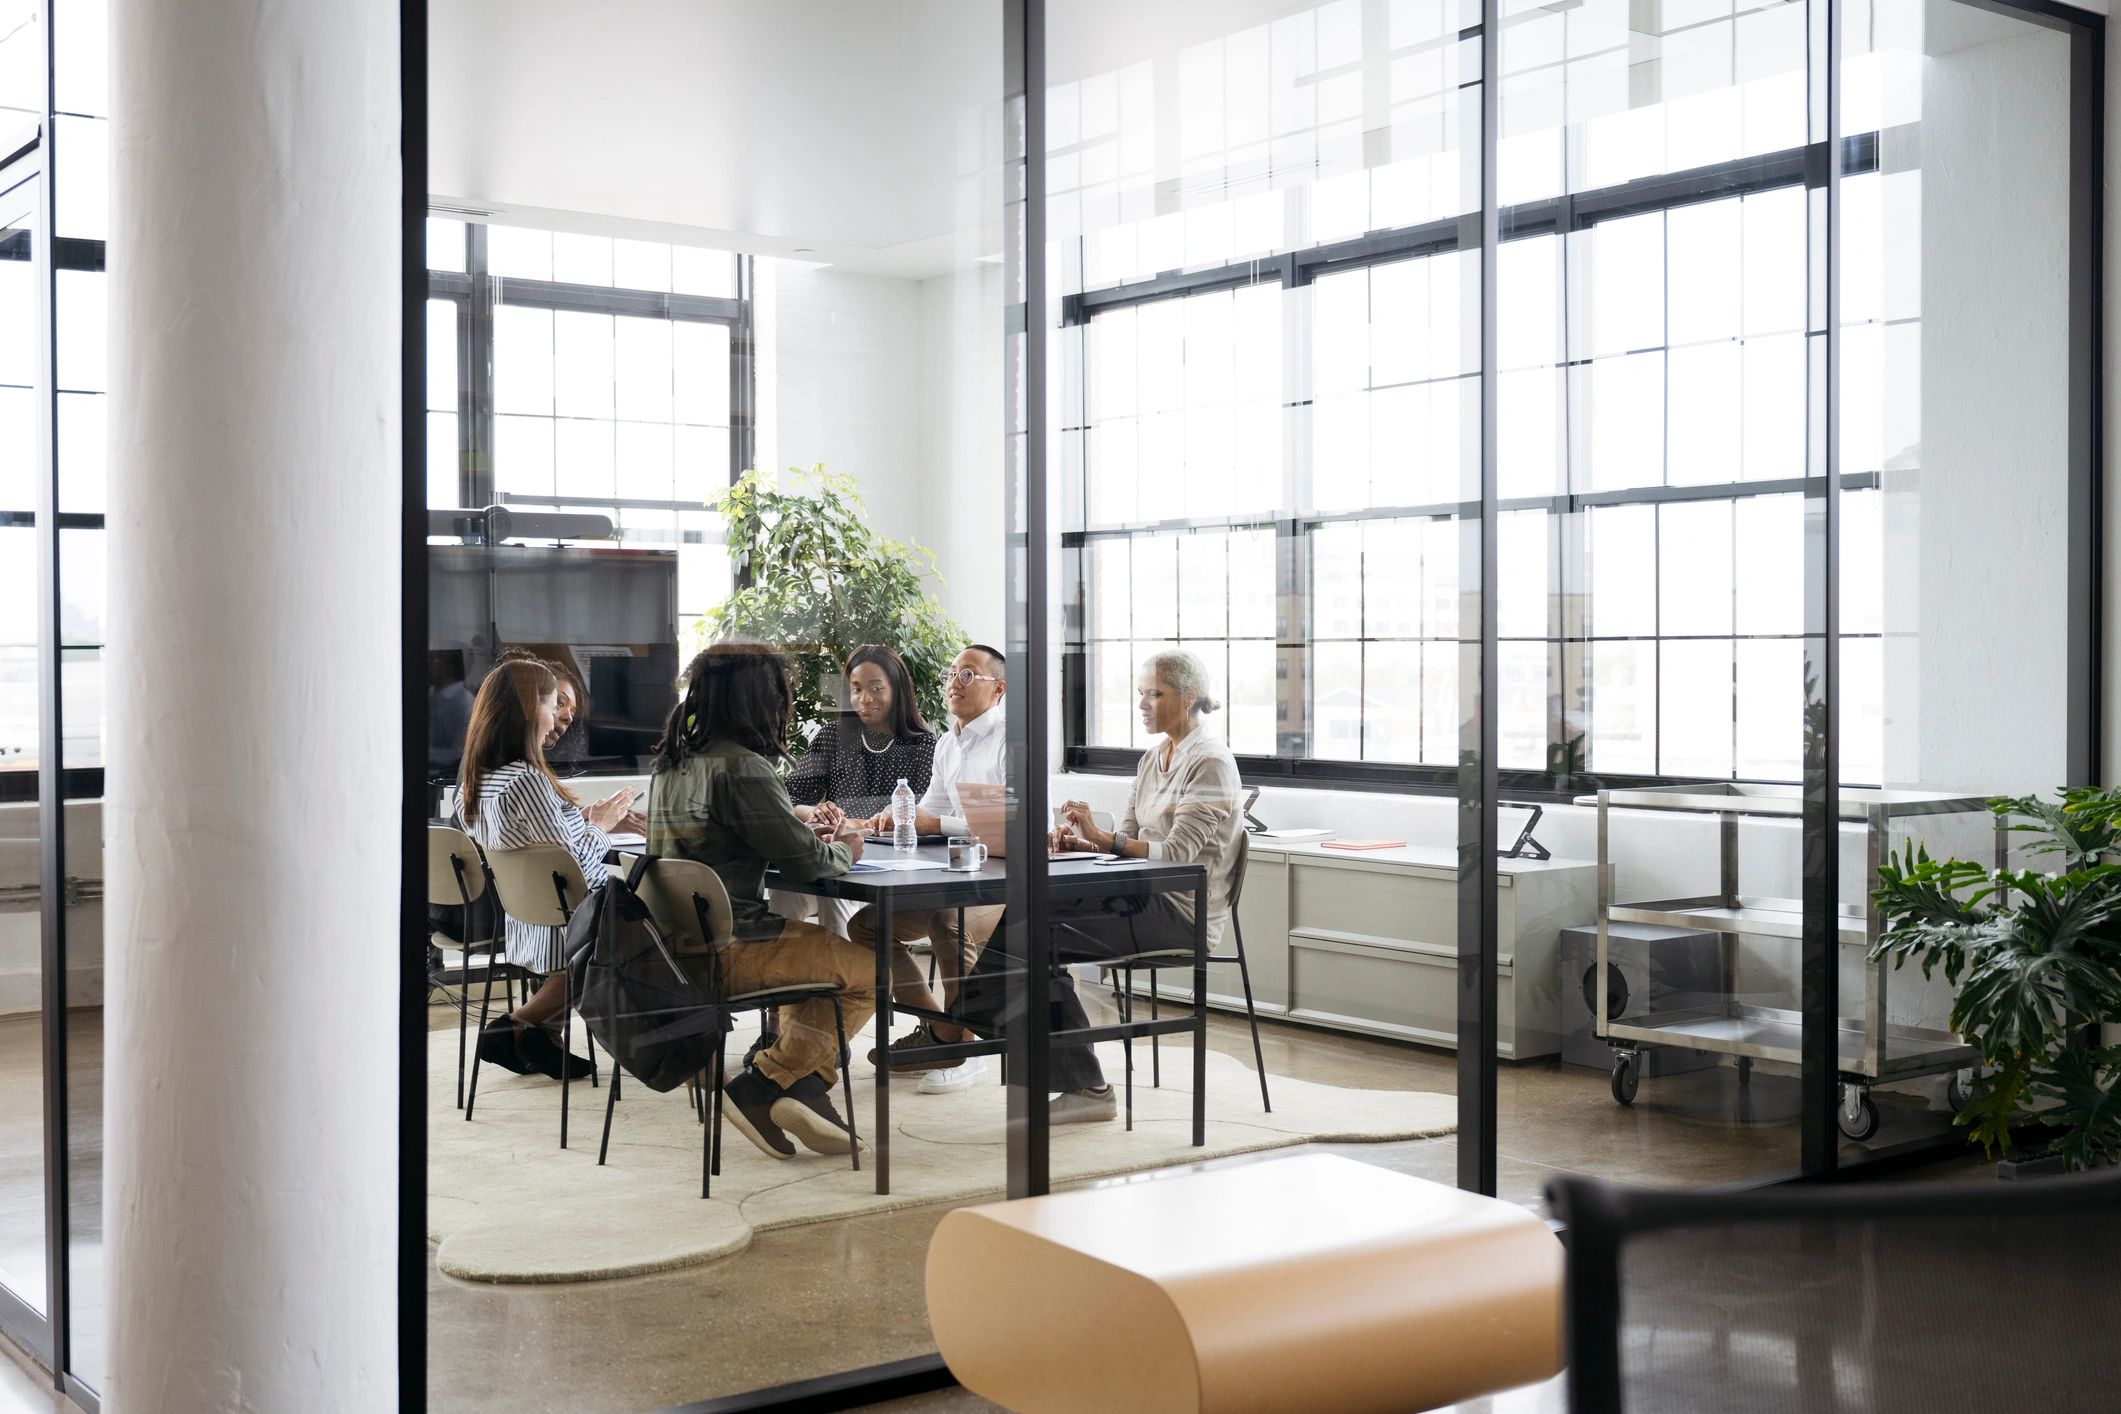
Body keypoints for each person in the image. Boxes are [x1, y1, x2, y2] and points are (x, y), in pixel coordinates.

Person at [646, 641, 881, 1160]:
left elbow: (729, 835)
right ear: (759, 700)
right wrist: (846, 846)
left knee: (817, 971)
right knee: (871, 973)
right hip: (732, 948)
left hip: (672, 949)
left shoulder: (675, 764)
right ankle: (764, 1087)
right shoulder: (744, 768)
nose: (786, 705)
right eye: (782, 695)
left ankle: (803, 1091)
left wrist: (788, 822)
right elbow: (811, 864)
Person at [1015, 649, 1243, 1124]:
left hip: (1181, 915)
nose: (1143, 703)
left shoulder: (1211, 762)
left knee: (1035, 939)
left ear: (1190, 697)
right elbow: (1131, 838)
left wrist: (1105, 839)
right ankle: (972, 1024)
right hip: (1139, 900)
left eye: (1154, 694)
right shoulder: (1151, 758)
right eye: (1141, 693)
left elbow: (1177, 854)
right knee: (1025, 927)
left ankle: (1083, 1086)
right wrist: (1080, 841)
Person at [460, 658, 643, 1081]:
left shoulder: (479, 779)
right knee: (645, 931)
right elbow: (574, 864)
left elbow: (544, 845)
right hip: (570, 921)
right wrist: (599, 826)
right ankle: (516, 1026)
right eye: (553, 704)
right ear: (528, 710)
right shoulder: (527, 780)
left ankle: (535, 1035)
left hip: (528, 918)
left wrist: (589, 817)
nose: (558, 718)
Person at [846, 644, 1009, 1094]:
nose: (954, 682)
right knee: (866, 926)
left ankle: (965, 1047)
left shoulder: (1011, 740)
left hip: (1009, 879)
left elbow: (1020, 822)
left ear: (999, 689)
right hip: (959, 873)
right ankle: (938, 1028)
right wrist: (894, 816)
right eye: (952, 672)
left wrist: (933, 821)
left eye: (968, 675)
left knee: (948, 922)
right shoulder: (948, 741)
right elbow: (931, 808)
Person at [787, 645, 937, 825]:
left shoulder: (923, 745)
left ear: (897, 690)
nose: (864, 699)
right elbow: (789, 799)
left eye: (876, 688)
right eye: (856, 689)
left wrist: (856, 824)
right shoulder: (832, 736)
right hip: (841, 848)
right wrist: (817, 812)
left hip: (899, 850)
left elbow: (926, 815)